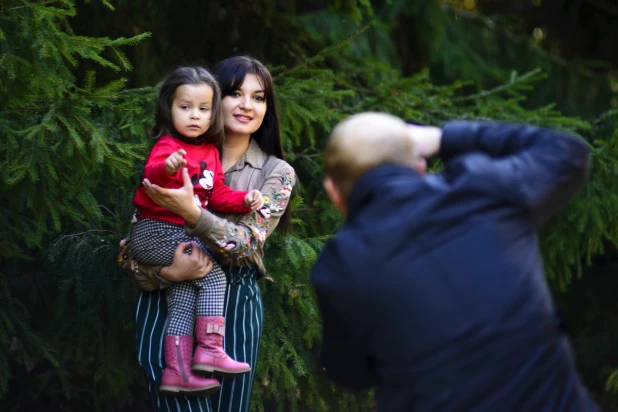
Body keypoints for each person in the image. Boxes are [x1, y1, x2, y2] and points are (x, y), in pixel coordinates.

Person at [311, 112, 598, 411]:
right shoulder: (483, 191)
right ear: (420, 166)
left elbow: (350, 374)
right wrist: (443, 138)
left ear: (334, 193)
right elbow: (568, 153)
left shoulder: (340, 269)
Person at [121, 56, 295, 411]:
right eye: (234, 93)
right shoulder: (176, 153)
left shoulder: (277, 173)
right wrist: (163, 274)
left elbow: (246, 243)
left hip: (236, 304)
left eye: (259, 97)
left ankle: (211, 347)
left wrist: (192, 213)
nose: (247, 105)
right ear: (214, 100)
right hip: (166, 301)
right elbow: (130, 247)